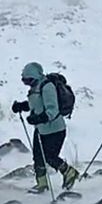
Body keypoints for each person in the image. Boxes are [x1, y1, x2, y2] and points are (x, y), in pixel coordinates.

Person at [11, 62, 79, 193]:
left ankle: (69, 172)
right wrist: (22, 106)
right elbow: (36, 104)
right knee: (38, 157)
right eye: (25, 81)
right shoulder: (36, 87)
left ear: (35, 76)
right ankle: (42, 184)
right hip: (41, 129)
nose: (27, 83)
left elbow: (52, 110)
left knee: (50, 156)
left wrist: (39, 118)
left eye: (28, 80)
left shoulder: (47, 87)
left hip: (55, 130)